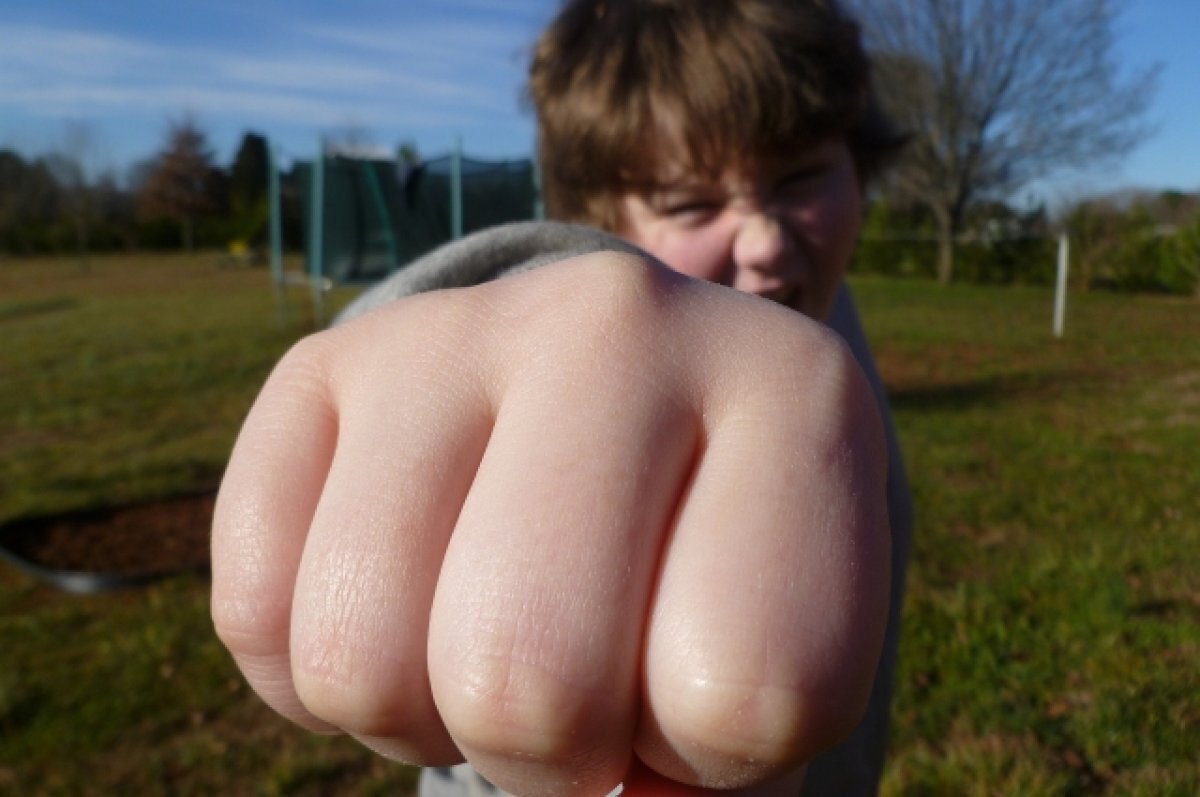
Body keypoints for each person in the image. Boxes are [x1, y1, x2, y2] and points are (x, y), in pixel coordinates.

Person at [210, 1, 911, 796]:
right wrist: (526, 300)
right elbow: (559, 298)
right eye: (690, 204)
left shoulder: (819, 308)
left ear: (858, 165)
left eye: (802, 178)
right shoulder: (633, 274)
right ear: (604, 216)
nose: (765, 241)